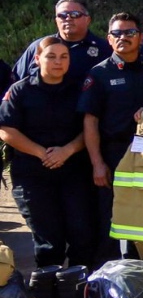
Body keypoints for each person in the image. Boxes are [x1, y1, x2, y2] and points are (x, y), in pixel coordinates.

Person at [0, 37, 96, 268]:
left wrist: (67, 150)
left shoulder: (79, 90)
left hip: (73, 171)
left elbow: (90, 126)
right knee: (48, 240)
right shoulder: (20, 91)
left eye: (64, 57)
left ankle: (76, 296)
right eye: (51, 56)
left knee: (81, 235)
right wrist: (42, 153)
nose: (57, 62)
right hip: (33, 174)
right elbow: (5, 130)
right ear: (37, 59)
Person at [79, 12, 143, 266]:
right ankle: (109, 277)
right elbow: (89, 122)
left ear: (141, 37)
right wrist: (97, 163)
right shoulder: (98, 74)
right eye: (117, 33)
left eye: (129, 32)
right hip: (113, 155)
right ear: (108, 38)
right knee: (111, 218)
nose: (123, 37)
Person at [11, 0, 111, 85]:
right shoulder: (39, 47)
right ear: (56, 21)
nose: (68, 18)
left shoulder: (105, 49)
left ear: (87, 20)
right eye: (62, 15)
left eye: (75, 14)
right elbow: (15, 81)